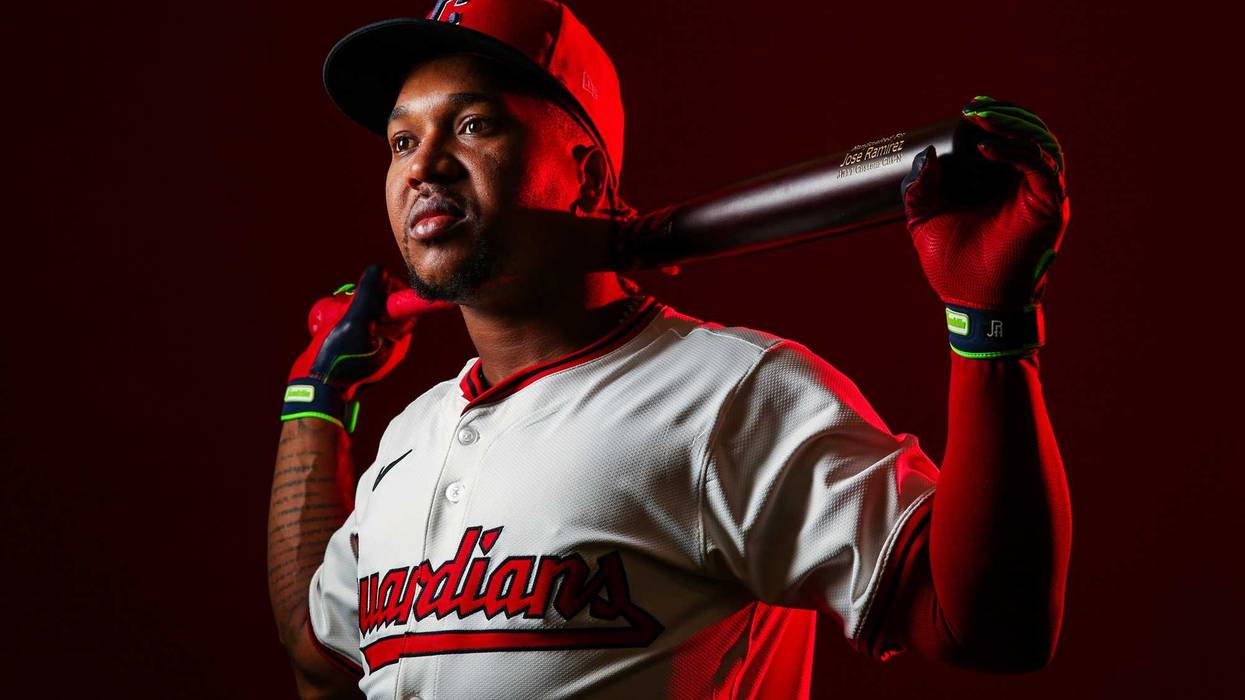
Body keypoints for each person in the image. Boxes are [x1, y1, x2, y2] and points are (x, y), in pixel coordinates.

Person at [266, 1, 1072, 698]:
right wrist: (315, 401)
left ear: (585, 172)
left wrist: (989, 324)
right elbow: (323, 660)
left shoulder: (726, 394)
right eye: (401, 142)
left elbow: (983, 629)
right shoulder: (412, 437)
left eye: (472, 124)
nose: (424, 166)